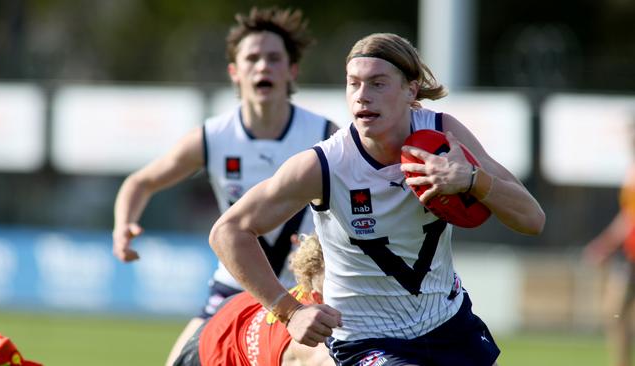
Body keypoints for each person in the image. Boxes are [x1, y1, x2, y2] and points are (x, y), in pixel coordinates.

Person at [209, 32, 546, 366]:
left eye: (377, 84)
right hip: (367, 340)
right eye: (353, 84)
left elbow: (532, 219)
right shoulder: (326, 165)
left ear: (410, 90)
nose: (362, 96)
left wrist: (473, 180)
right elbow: (228, 231)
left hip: (449, 326)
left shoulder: (444, 137)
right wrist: (289, 311)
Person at [111, 7, 338, 366]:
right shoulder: (213, 136)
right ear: (235, 72)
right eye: (252, 58)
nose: (263, 66)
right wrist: (123, 225)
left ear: (291, 71)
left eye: (274, 58)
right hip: (236, 287)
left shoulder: (325, 135)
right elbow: (140, 182)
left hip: (303, 290)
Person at [172, 233, 335, 366]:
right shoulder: (314, 347)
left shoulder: (323, 288)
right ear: (317, 299)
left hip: (239, 310)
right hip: (215, 350)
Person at [583, 153, 635, 366]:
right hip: (630, 255)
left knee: (615, 311)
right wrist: (606, 245)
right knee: (615, 312)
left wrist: (606, 245)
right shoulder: (631, 172)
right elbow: (628, 216)